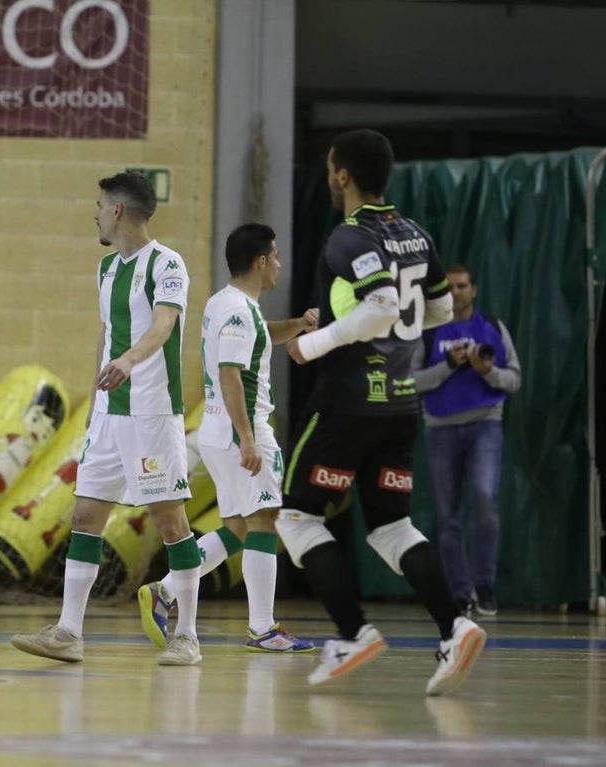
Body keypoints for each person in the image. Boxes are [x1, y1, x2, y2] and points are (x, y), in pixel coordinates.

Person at [279, 129, 487, 696]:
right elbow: (441, 309)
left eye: (329, 169)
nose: (327, 178)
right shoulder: (416, 234)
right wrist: (393, 341)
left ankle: (352, 633)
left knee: (296, 518)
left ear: (342, 175)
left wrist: (314, 346)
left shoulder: (348, 237)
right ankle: (454, 625)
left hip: (347, 404)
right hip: (400, 404)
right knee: (392, 526)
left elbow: (382, 306)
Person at [11, 172, 205, 666]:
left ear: (117, 211)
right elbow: (105, 336)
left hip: (152, 414)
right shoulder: (105, 268)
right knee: (85, 518)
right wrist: (94, 400)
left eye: (99, 205)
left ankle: (187, 635)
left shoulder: (168, 263)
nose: (94, 212)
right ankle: (68, 632)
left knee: (171, 522)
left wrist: (128, 362)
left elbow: (164, 325)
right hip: (109, 417)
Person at [137, 223, 316, 654]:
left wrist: (299, 325)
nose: (278, 265)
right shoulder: (239, 310)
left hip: (218, 431)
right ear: (260, 261)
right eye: (274, 257)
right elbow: (231, 372)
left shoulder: (227, 303)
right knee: (264, 522)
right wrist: (248, 438)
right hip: (241, 430)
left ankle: (164, 590)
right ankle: (263, 627)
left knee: (236, 528)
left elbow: (259, 338)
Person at [413, 265, 521, 617]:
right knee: (448, 516)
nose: (457, 293)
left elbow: (514, 380)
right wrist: (448, 364)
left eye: (462, 286)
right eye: (451, 288)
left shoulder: (491, 327)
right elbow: (411, 382)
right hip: (440, 428)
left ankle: (484, 586)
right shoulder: (428, 332)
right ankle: (460, 593)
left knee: (485, 499)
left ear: (473, 290)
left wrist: (487, 371)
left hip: (484, 424)